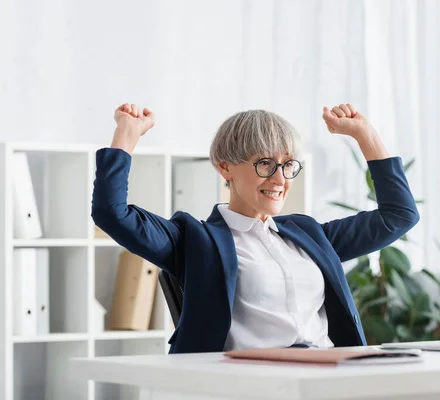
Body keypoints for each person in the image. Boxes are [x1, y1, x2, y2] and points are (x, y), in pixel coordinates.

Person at [92, 102, 420, 354]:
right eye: (265, 164)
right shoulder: (195, 239)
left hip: (324, 376)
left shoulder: (308, 234)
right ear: (226, 167)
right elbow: (111, 213)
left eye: (288, 164)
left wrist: (366, 135)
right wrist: (126, 135)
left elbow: (399, 216)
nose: (279, 179)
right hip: (251, 384)